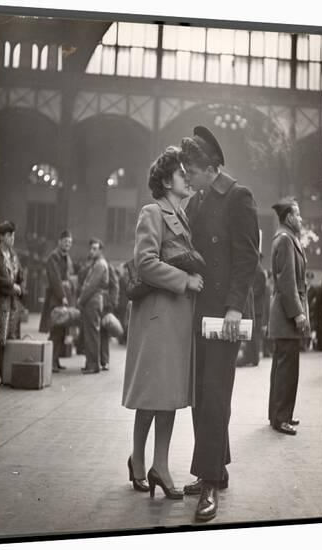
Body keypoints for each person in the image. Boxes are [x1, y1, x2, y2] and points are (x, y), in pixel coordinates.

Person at [180, 127, 259, 521]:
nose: (187, 177)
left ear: (209, 168)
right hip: (199, 311)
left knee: (215, 396)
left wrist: (234, 308)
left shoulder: (238, 197)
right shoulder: (199, 200)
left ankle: (209, 482)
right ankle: (217, 469)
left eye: (191, 170)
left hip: (223, 316)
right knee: (202, 395)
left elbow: (247, 260)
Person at [122, 146, 204, 499]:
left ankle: (158, 464)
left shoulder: (182, 217)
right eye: (182, 172)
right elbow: (144, 262)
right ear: (166, 180)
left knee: (168, 396)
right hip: (158, 318)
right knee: (153, 395)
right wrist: (184, 280)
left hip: (176, 319)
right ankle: (141, 460)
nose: (187, 177)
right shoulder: (152, 212)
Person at [268, 197, 310, 435]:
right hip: (286, 315)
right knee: (287, 369)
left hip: (284, 314)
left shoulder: (286, 238)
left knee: (282, 367)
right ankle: (281, 418)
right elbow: (287, 282)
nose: (301, 219)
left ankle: (277, 415)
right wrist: (298, 314)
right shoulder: (285, 240)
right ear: (289, 217)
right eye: (299, 214)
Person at [39, 230, 75, 372]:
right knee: (55, 330)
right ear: (59, 241)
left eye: (70, 242)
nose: (68, 244)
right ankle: (51, 362)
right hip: (56, 299)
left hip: (63, 298)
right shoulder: (53, 257)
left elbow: (68, 277)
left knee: (61, 330)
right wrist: (62, 296)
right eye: (66, 241)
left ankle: (56, 360)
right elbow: (55, 280)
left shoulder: (67, 257)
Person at [0, 221, 24, 385]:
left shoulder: (13, 254)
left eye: (13, 235)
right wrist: (10, 285)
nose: (12, 238)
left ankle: (7, 372)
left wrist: (20, 287)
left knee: (11, 336)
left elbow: (20, 275)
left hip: (13, 302)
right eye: (9, 235)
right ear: (1, 236)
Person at [77, 238, 109, 374]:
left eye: (95, 249)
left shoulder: (100, 264)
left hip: (93, 301)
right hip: (91, 301)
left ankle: (93, 365)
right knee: (90, 334)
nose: (92, 251)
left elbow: (91, 286)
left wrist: (80, 300)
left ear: (100, 250)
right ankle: (90, 362)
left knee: (92, 335)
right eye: (91, 248)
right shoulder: (96, 263)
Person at [236, 259, 267, 367]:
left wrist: (248, 294)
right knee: (253, 335)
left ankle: (253, 358)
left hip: (256, 308)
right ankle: (252, 358)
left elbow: (258, 290)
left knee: (254, 335)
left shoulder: (258, 271)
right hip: (256, 308)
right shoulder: (259, 270)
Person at [99, 260, 120, 370]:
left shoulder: (108, 266)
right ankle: (95, 361)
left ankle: (104, 361)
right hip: (93, 304)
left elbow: (115, 286)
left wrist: (112, 303)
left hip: (105, 305)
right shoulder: (90, 266)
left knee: (104, 332)